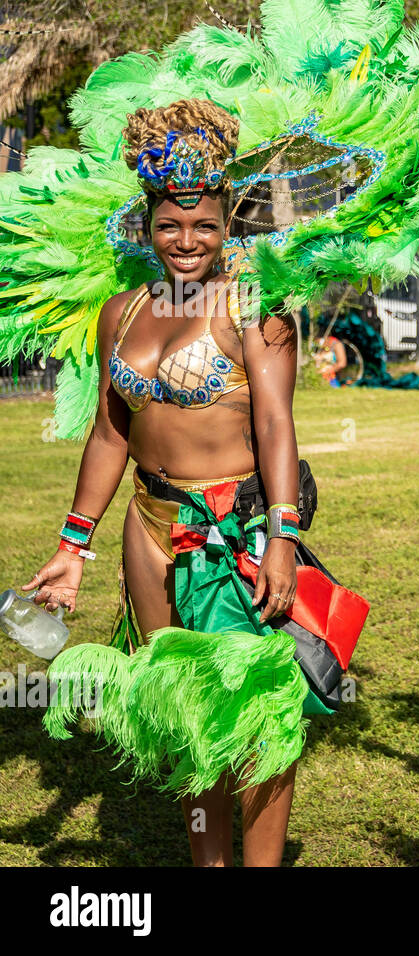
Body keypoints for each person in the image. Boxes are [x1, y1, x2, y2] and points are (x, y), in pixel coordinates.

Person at [24, 99, 322, 867]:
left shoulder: (257, 308)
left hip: (231, 531)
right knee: (182, 706)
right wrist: (71, 545)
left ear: (228, 227)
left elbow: (276, 427)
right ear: (146, 225)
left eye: (204, 226)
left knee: (253, 712)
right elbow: (110, 433)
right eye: (169, 225)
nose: (186, 242)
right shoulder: (121, 313)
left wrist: (285, 539)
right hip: (147, 527)